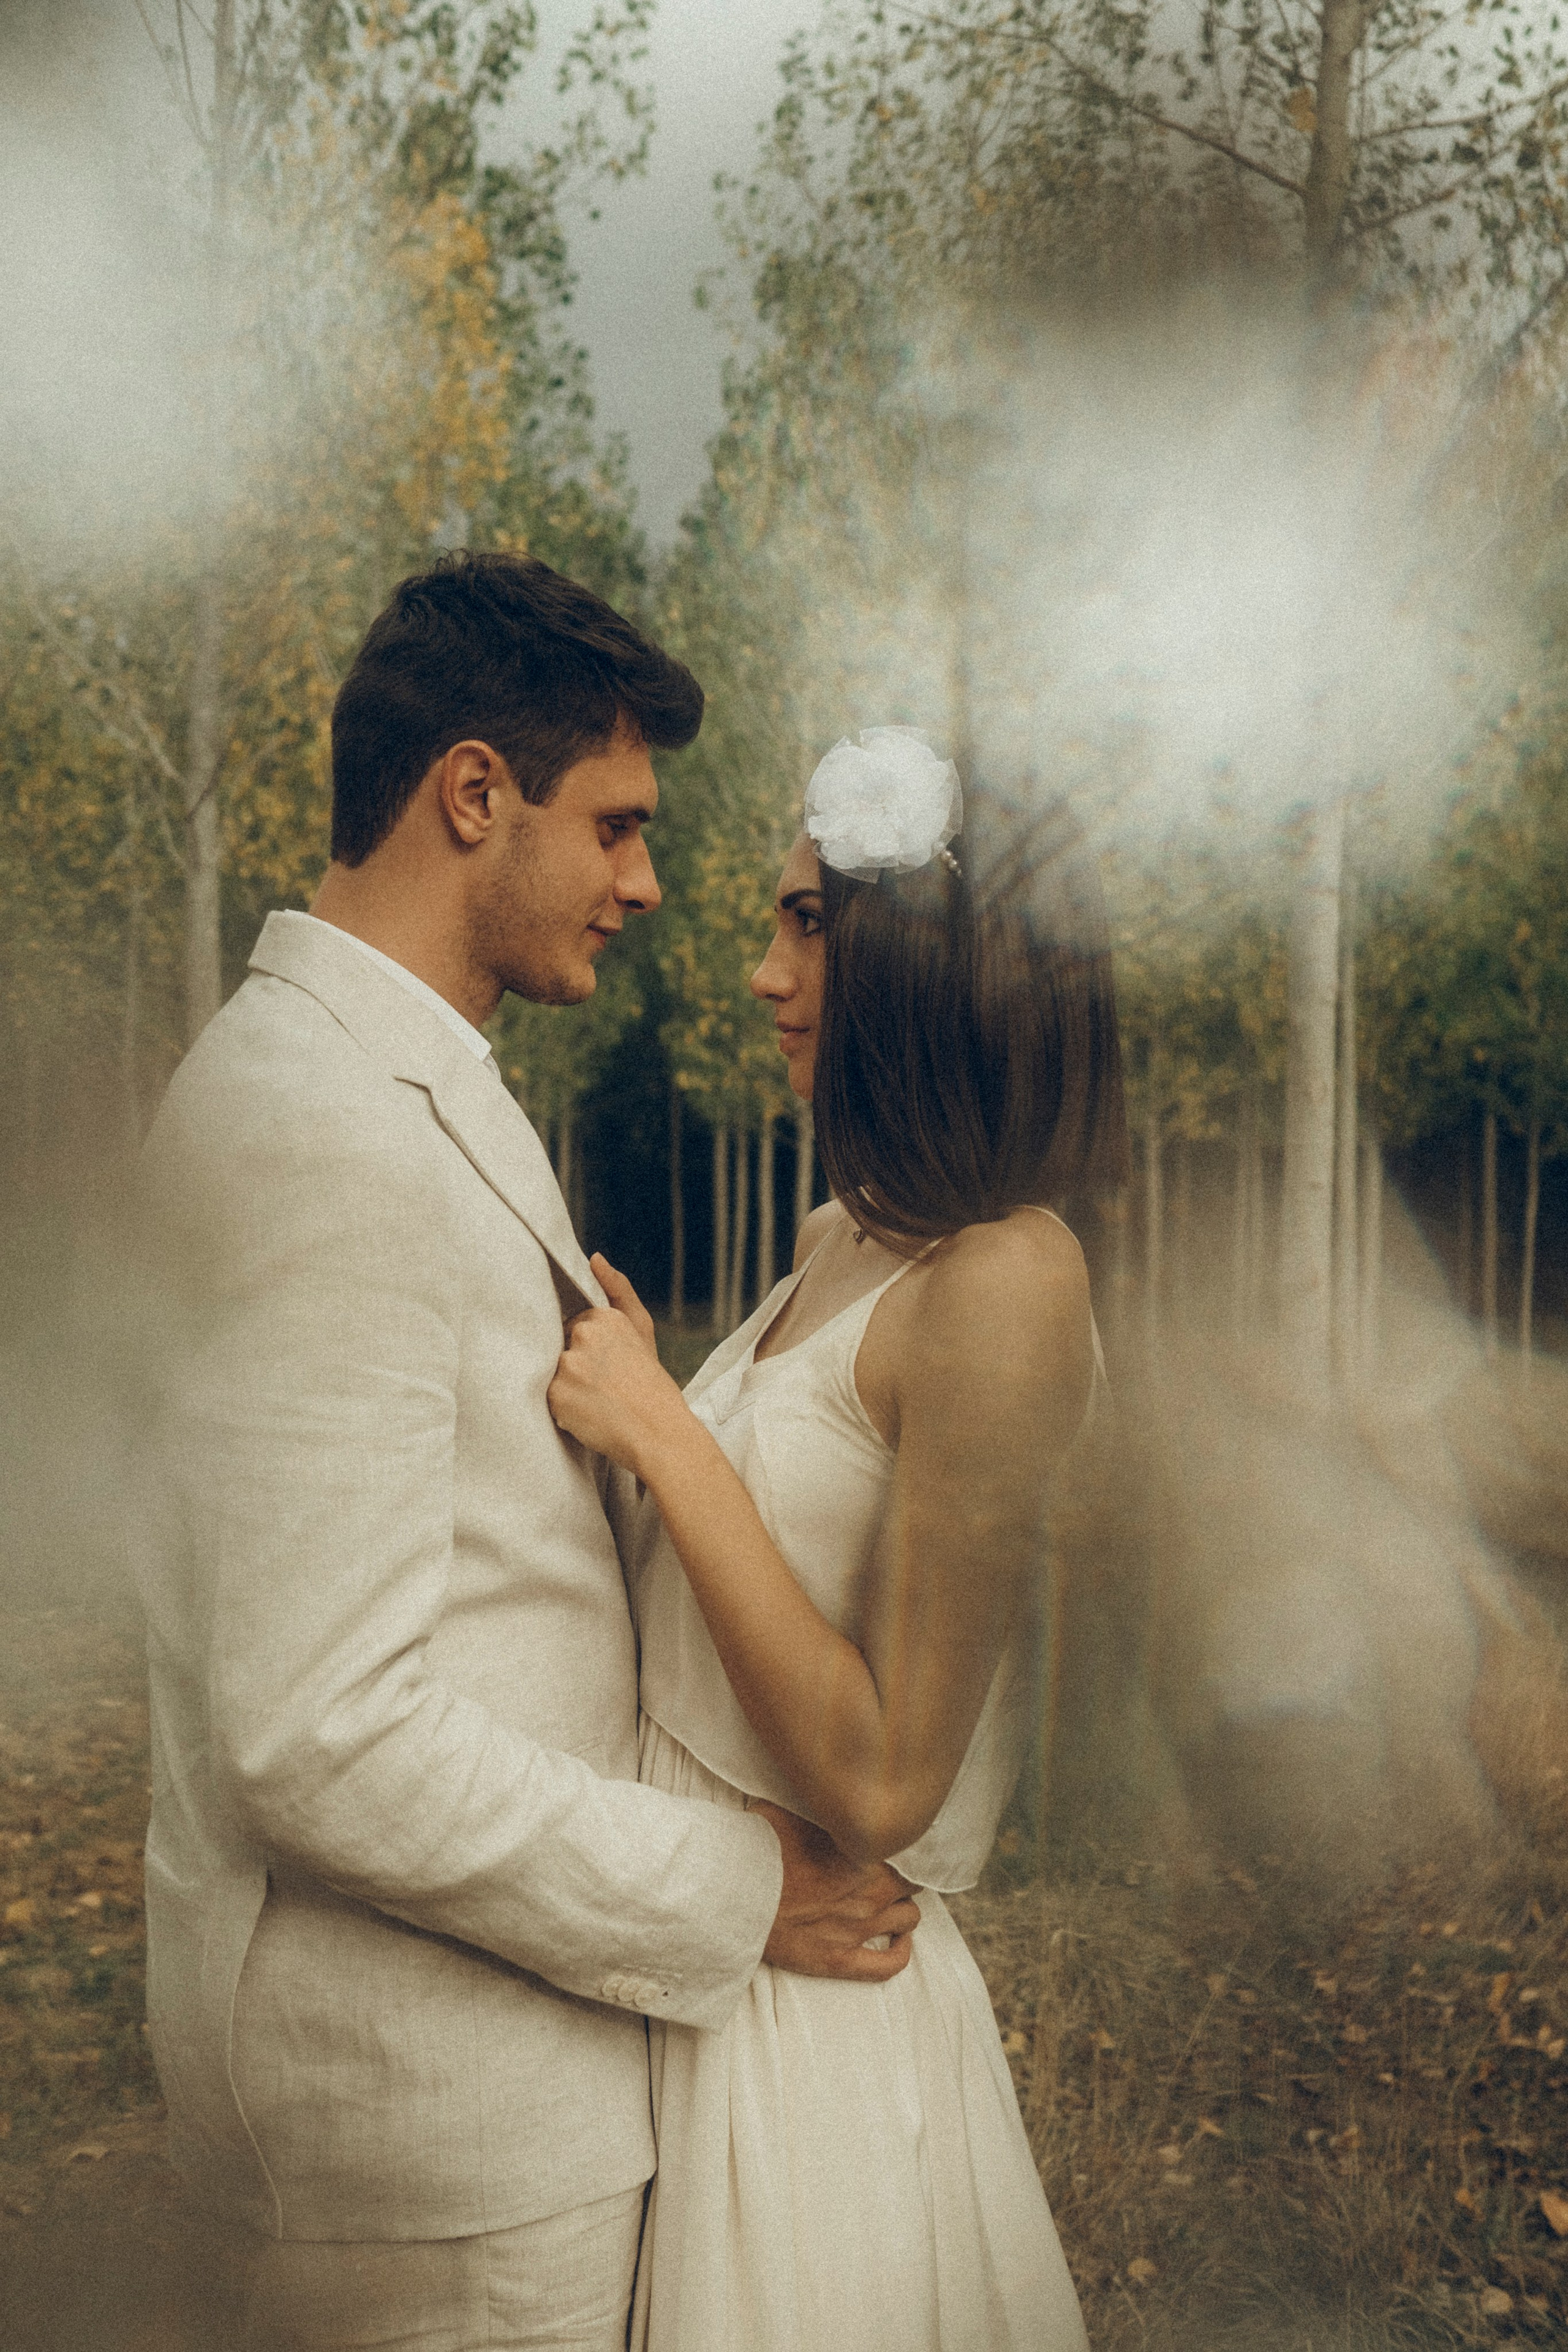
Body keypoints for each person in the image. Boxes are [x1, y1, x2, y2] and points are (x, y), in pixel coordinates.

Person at [133, 557, 921, 2352]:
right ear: (474, 792)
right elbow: (320, 1730)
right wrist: (737, 1893)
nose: (648, 883)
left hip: (469, 2116)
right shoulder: (324, 1126)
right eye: (619, 825)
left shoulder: (384, 1077)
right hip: (442, 2166)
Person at [549, 726, 1128, 2351]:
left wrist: (669, 1435)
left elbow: (883, 1780)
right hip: (693, 1953)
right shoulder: (841, 1238)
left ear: (935, 967)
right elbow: (748, 1569)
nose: (762, 971)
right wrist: (659, 1413)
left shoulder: (1012, 1281)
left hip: (812, 2037)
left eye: (808, 923)